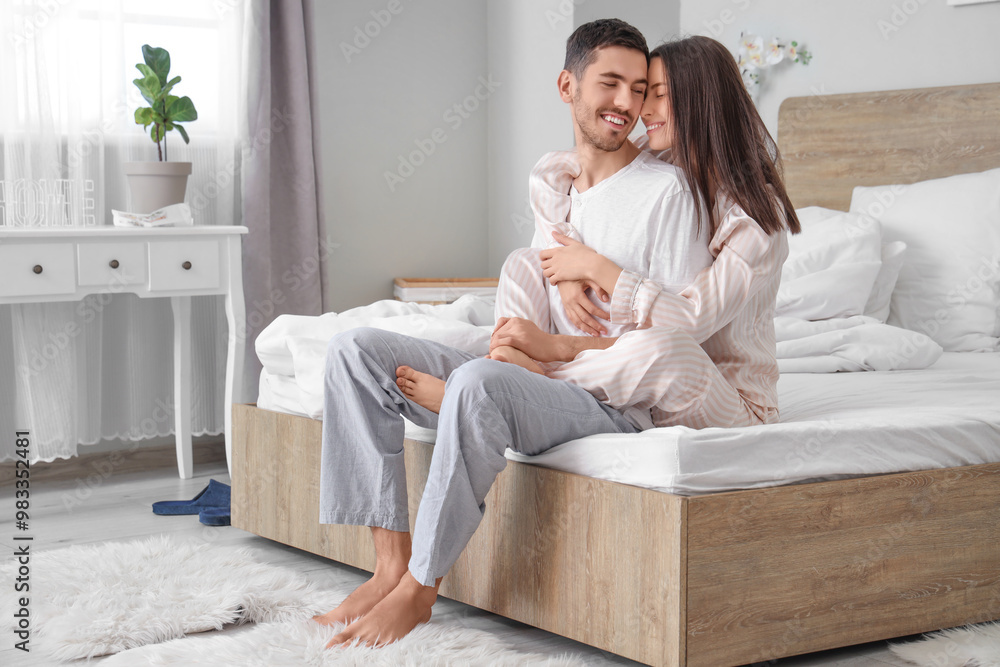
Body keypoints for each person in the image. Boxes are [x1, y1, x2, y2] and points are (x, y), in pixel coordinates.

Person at [313, 19, 677, 649]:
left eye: (640, 89)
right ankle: (389, 567)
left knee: (480, 383)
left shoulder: (666, 191)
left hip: (613, 402)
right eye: (610, 82)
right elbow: (539, 278)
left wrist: (541, 351)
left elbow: (670, 336)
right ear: (567, 86)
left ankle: (420, 589)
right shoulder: (560, 187)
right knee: (355, 350)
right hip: (539, 377)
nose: (626, 103)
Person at [468, 35, 802, 430]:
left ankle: (517, 385)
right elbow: (553, 172)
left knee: (668, 347)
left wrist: (594, 271)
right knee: (523, 262)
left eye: (658, 95)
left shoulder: (758, 219)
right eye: (647, 94)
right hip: (655, 383)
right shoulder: (659, 154)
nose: (643, 110)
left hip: (732, 402)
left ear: (701, 101)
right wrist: (566, 277)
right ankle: (511, 372)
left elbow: (691, 322)